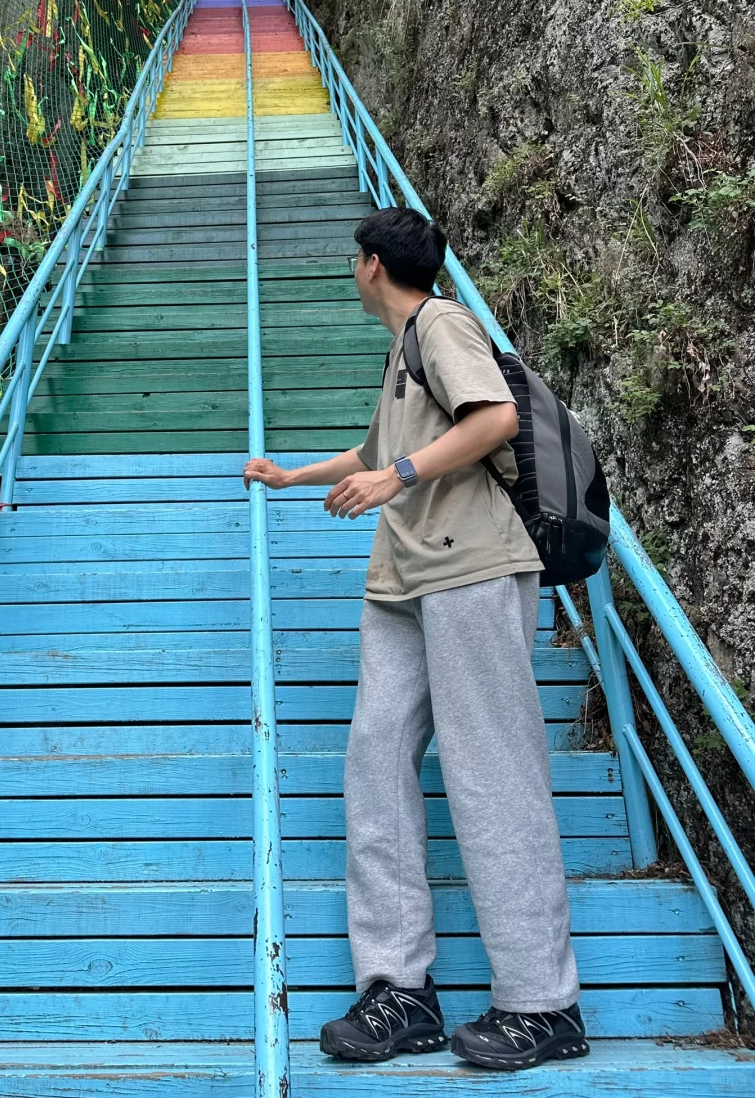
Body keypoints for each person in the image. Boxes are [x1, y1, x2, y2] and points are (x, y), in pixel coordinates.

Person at [243, 207, 589, 1073]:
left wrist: (394, 477)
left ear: (370, 266)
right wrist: (290, 475)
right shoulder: (403, 352)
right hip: (401, 582)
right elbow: (372, 451)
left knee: (490, 769)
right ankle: (400, 989)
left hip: (471, 568)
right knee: (374, 759)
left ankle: (543, 1004)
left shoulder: (442, 323)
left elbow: (494, 419)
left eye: (350, 261)